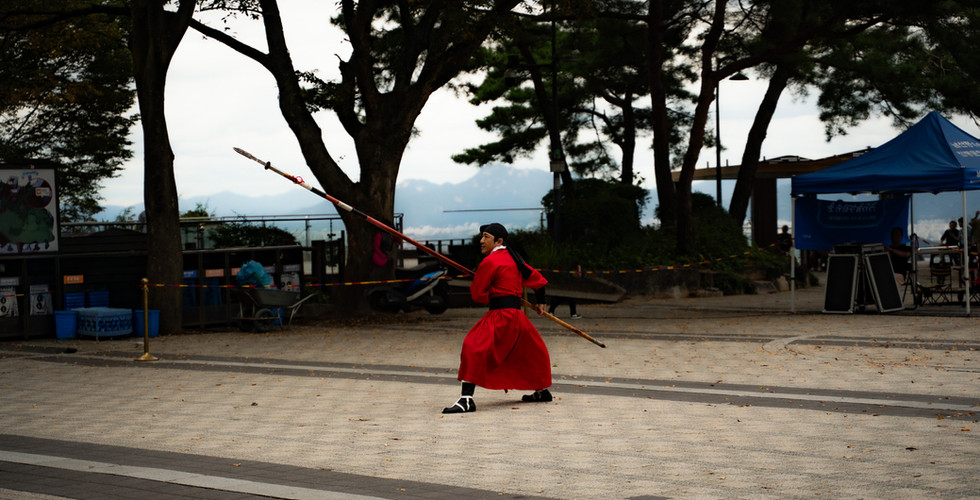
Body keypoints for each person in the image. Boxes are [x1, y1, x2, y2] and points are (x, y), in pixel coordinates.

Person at [443, 223, 553, 414]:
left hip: (500, 316)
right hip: (517, 317)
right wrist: (541, 301)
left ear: (499, 241)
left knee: (472, 347)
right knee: (529, 352)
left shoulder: (490, 262)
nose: (481, 240)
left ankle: (466, 400)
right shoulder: (514, 258)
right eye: (482, 236)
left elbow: (477, 295)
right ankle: (542, 391)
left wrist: (492, 291)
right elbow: (538, 280)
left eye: (486, 237)